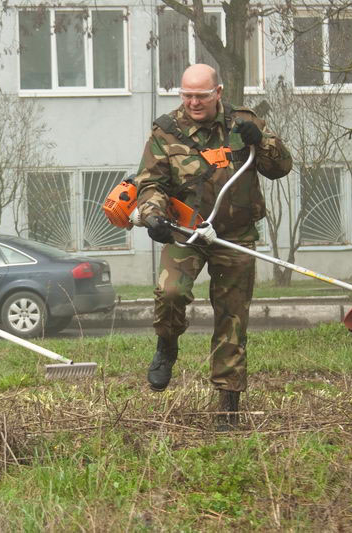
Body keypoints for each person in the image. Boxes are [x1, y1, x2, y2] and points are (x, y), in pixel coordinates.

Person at [134, 64, 292, 430]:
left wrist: (261, 141)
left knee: (232, 318)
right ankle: (167, 346)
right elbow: (150, 183)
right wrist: (154, 215)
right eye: (186, 95)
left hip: (234, 235)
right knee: (170, 292)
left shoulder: (243, 124)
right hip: (185, 231)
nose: (193, 102)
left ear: (217, 92)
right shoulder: (166, 130)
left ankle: (227, 405)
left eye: (201, 96)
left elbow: (280, 167)